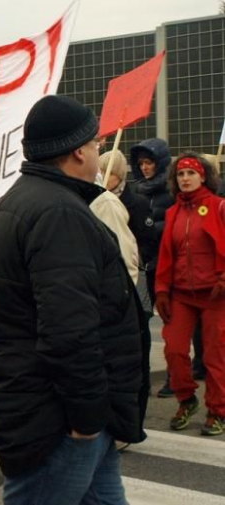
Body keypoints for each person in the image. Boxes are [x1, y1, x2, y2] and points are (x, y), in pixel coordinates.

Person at [0, 95, 143, 504]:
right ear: (78, 151)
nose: (97, 152)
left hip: (60, 410)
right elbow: (68, 329)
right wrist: (88, 422)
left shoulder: (28, 199)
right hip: (60, 419)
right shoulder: (58, 213)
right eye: (95, 145)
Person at [155, 152, 225, 436]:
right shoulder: (172, 212)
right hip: (181, 294)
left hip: (215, 295)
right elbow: (165, 254)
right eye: (181, 174)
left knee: (215, 355)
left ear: (203, 176)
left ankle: (218, 410)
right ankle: (186, 399)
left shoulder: (219, 207)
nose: (185, 178)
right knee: (173, 349)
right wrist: (161, 289)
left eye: (191, 173)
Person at [100, 148, 157, 432]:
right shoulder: (98, 201)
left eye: (109, 171)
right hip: (115, 290)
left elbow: (141, 243)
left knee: (135, 351)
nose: (104, 177)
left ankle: (132, 420)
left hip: (134, 284)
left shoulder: (131, 202)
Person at [129, 138, 188, 396]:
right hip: (146, 266)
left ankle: (176, 378)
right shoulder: (137, 191)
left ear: (160, 162)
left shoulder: (173, 191)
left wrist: (154, 228)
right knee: (142, 319)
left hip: (169, 268)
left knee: (173, 326)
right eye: (141, 163)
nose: (145, 167)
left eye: (149, 162)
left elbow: (180, 226)